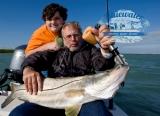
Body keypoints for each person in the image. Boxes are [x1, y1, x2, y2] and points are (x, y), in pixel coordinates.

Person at [9, 22, 115, 116]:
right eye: (68, 36)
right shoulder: (55, 51)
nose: (73, 39)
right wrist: (28, 68)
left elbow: (102, 65)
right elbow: (35, 58)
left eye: (76, 35)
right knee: (18, 114)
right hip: (50, 98)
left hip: (85, 98)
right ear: (63, 39)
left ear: (81, 35)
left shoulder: (91, 50)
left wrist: (105, 50)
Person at [25, 3, 101, 57]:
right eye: (49, 19)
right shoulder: (39, 33)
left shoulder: (67, 29)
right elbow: (27, 54)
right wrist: (47, 46)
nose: (53, 22)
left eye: (57, 18)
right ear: (45, 21)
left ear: (63, 20)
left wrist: (93, 36)